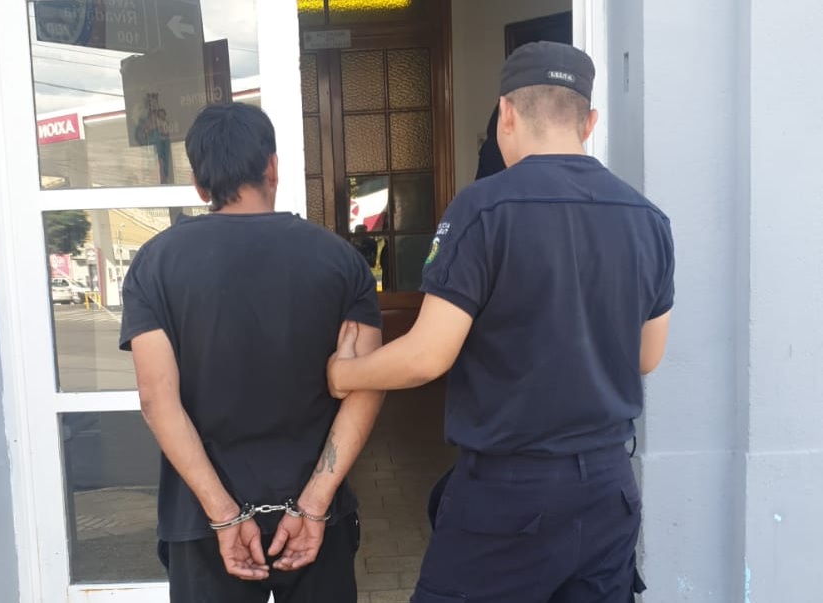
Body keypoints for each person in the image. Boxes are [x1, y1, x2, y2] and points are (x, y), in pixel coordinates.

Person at [328, 41, 674, 603]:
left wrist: (344, 373)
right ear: (589, 122)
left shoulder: (484, 210)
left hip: (511, 495)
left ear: (505, 115)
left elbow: (426, 357)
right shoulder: (648, 219)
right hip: (608, 489)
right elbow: (646, 356)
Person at [119, 103, 385, 603]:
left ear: (200, 184)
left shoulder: (155, 264)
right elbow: (367, 385)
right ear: (273, 167)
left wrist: (224, 514)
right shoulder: (341, 260)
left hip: (202, 520)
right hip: (316, 515)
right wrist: (314, 503)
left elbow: (157, 401)